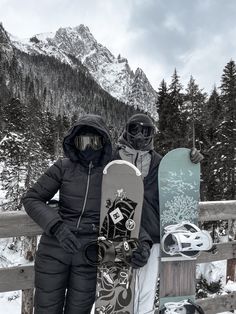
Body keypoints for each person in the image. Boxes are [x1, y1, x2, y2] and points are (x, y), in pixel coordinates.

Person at [22, 114, 151, 314]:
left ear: (103, 142)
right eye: (83, 141)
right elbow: (32, 198)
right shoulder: (63, 167)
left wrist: (143, 243)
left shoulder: (112, 173)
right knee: (46, 310)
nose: (88, 147)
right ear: (74, 141)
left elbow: (127, 213)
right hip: (54, 250)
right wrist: (57, 227)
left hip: (90, 254)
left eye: (94, 141)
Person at [113, 113, 203, 314]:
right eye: (135, 129)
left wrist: (189, 162)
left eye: (146, 130)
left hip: (152, 238)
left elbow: (179, 189)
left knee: (145, 294)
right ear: (126, 130)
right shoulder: (112, 160)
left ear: (152, 134)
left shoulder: (161, 164)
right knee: (118, 292)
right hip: (119, 236)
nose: (139, 135)